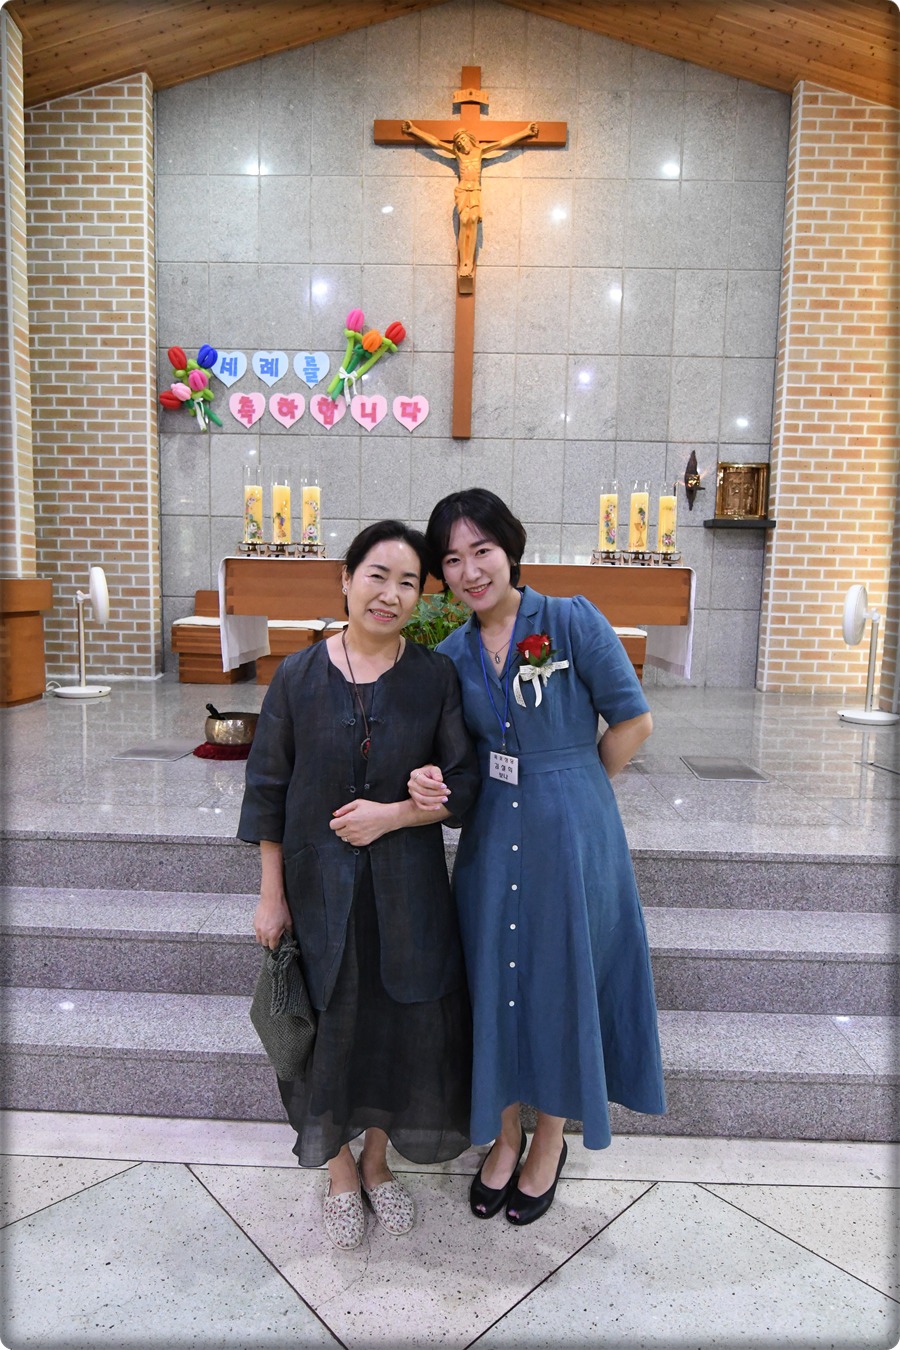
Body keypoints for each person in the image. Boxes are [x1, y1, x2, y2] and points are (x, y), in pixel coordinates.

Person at [409, 489, 666, 1226]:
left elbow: (634, 721)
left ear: (509, 550)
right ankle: (506, 1133)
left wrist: (575, 785)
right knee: (492, 978)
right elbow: (456, 762)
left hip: (571, 835)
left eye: (482, 550)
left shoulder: (571, 620)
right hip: (492, 839)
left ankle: (549, 1139)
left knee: (560, 977)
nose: (470, 571)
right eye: (452, 559)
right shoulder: (450, 657)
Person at [238, 520, 479, 1250]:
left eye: (408, 583)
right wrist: (271, 895)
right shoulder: (297, 676)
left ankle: (377, 1161)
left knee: (398, 1028)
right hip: (317, 891)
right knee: (326, 1028)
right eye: (377, 575)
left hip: (408, 893)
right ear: (346, 579)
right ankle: (339, 1169)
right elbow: (267, 790)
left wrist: (407, 806)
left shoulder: (434, 677)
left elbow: (464, 785)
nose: (390, 594)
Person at [400, 120, 538, 290]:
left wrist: (525, 132)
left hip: (475, 191)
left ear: (470, 139)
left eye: (463, 140)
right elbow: (436, 142)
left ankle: (468, 262)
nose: (462, 144)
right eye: (458, 143)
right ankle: (463, 261)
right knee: (464, 222)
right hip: (462, 191)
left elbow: (502, 143)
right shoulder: (458, 154)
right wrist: (414, 130)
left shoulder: (480, 151)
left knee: (472, 220)